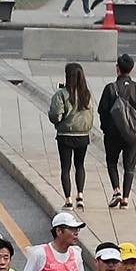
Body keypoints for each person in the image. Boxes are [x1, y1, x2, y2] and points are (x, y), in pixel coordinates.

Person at [96, 52, 136, 209]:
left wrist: (106, 128)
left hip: (113, 134)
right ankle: (126, 198)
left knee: (111, 162)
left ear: (117, 69)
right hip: (133, 135)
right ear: (131, 69)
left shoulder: (110, 88)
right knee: (130, 166)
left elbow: (102, 111)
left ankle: (116, 191)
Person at [47, 62, 93, 209]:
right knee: (80, 165)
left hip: (65, 135)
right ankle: (80, 195)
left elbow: (55, 115)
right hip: (83, 135)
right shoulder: (86, 94)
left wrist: (57, 121)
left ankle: (68, 199)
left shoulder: (61, 94)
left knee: (65, 168)